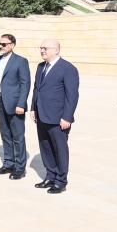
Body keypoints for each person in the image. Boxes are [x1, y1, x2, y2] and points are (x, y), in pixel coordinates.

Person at [29, 39, 79, 194]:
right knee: (45, 147)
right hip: (41, 115)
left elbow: (72, 96)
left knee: (60, 149)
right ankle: (50, 176)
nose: (42, 50)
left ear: (56, 50)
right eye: (41, 48)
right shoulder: (41, 67)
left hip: (58, 118)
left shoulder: (68, 69)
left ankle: (61, 181)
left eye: (45, 48)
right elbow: (37, 89)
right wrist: (33, 108)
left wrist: (67, 117)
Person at [0, 33, 31, 179]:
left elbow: (25, 84)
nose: (1, 46)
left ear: (12, 45)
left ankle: (20, 167)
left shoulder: (20, 61)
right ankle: (8, 163)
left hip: (14, 103)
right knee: (5, 134)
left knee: (18, 136)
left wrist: (21, 104)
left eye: (4, 44)